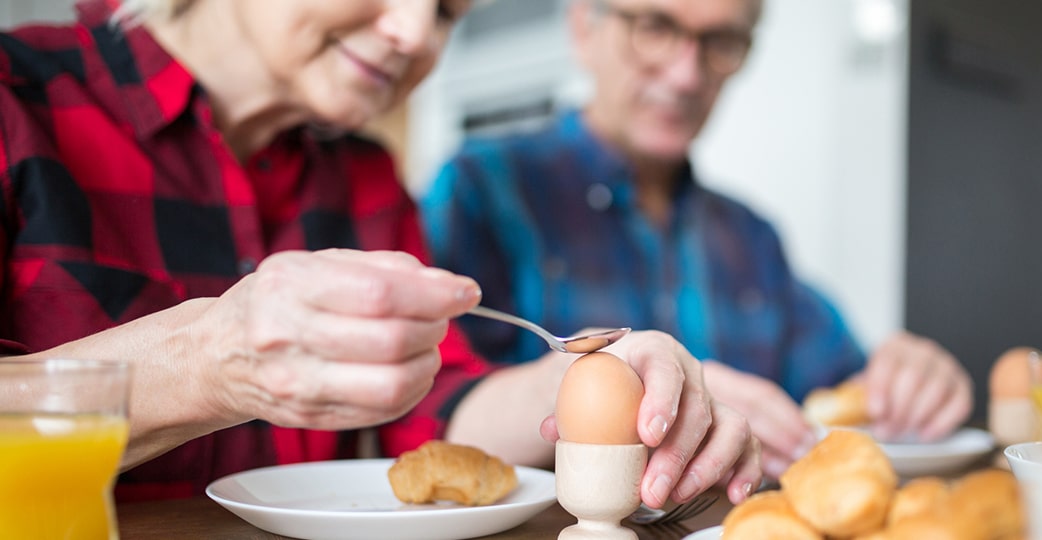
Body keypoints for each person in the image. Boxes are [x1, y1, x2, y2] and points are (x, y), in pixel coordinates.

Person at [0, 0, 761, 508]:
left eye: (445, 11)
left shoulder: (361, 176)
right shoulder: (15, 99)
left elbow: (434, 411)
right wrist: (206, 359)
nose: (413, 33)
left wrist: (602, 377)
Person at [422, 0, 973, 479]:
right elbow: (424, 420)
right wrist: (668, 401)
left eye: (720, 40)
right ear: (582, 30)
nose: (688, 74)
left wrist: (903, 383)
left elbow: (842, 393)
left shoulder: (752, 239)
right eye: (655, 25)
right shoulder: (481, 193)